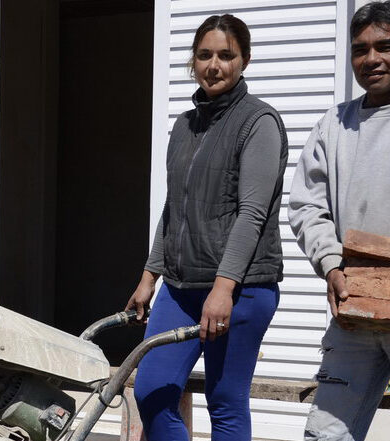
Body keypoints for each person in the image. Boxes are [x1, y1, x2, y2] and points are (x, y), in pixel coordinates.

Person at [124, 14, 288, 441]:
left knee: (225, 402)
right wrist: (149, 276)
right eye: (204, 55)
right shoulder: (184, 125)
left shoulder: (259, 123)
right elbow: (174, 206)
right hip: (180, 288)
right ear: (193, 61)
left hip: (241, 289)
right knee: (152, 392)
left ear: (245, 60)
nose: (214, 65)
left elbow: (252, 214)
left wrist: (223, 289)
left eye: (226, 56)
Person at [289, 2, 390, 439]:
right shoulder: (334, 125)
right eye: (360, 49)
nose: (371, 59)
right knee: (326, 434)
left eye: (385, 46)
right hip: (355, 314)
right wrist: (330, 262)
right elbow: (306, 206)